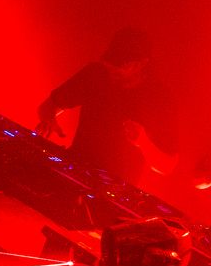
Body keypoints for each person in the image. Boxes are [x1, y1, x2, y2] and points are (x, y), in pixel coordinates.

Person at [38, 27, 179, 186]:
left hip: (116, 189)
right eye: (111, 62)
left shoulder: (158, 100)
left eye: (121, 65)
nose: (112, 69)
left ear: (142, 64)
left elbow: (167, 166)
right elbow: (47, 107)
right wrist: (48, 119)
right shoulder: (95, 75)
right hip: (74, 175)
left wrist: (143, 141)